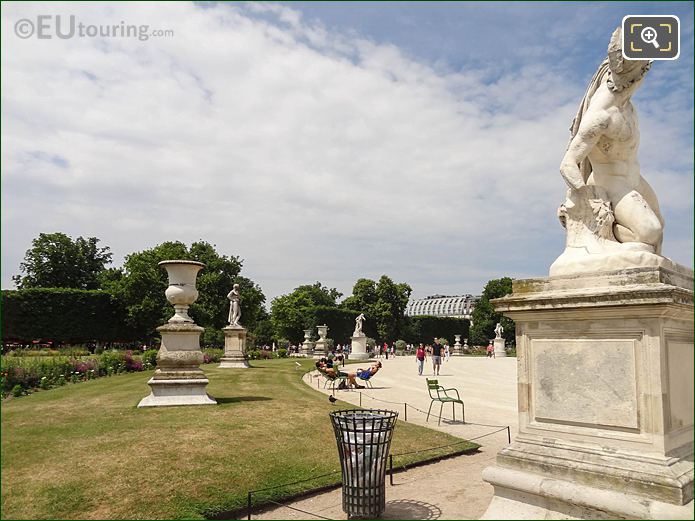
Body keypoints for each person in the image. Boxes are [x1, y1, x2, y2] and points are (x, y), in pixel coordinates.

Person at [559, 27, 662, 254]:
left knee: (659, 228)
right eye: (642, 72)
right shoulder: (601, 115)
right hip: (611, 183)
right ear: (628, 78)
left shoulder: (629, 108)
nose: (644, 77)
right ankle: (608, 237)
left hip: (635, 178)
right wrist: (588, 199)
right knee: (650, 233)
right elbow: (568, 163)